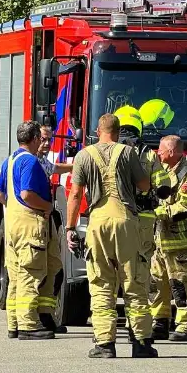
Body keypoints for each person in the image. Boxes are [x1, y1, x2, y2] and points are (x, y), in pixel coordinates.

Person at [65, 114, 157, 359]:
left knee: (101, 284)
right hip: (126, 221)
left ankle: (105, 344)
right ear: (118, 132)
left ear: (98, 131)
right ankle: (141, 343)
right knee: (134, 282)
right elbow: (144, 186)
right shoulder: (128, 152)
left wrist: (70, 227)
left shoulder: (84, 155)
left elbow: (75, 194)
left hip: (98, 223)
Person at [0, 121, 59, 340]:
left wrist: (15, 209)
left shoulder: (10, 160)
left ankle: (14, 324)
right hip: (30, 225)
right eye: (41, 138)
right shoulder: (30, 161)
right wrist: (47, 206)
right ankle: (29, 325)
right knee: (31, 274)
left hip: (13, 224)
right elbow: (27, 194)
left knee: (15, 276)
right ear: (35, 139)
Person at [114, 105, 171, 341]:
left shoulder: (106, 151)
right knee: (140, 272)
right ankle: (136, 328)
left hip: (113, 218)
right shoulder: (148, 153)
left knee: (110, 273)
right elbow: (163, 185)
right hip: (143, 219)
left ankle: (104, 332)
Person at [150, 135, 187, 341]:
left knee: (182, 284)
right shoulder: (163, 170)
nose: (158, 152)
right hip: (160, 240)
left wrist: (157, 213)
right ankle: (159, 322)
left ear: (172, 152)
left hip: (180, 241)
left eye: (161, 150)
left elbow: (185, 207)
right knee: (157, 283)